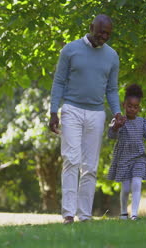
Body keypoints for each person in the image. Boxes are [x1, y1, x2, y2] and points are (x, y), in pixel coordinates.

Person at [49, 14, 125, 224]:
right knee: (71, 160)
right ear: (91, 27)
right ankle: (68, 215)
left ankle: (85, 215)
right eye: (101, 31)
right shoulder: (70, 50)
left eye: (108, 33)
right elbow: (58, 82)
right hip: (71, 109)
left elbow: (111, 89)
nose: (104, 36)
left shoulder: (112, 56)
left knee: (90, 166)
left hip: (96, 113)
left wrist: (117, 112)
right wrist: (53, 111)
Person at [107, 84, 146, 220]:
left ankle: (134, 214)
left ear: (139, 108)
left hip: (139, 157)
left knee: (137, 183)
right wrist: (116, 126)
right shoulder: (119, 120)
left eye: (135, 107)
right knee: (126, 188)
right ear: (124, 105)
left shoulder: (142, 122)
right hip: (123, 157)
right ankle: (124, 212)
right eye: (130, 106)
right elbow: (111, 135)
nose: (132, 109)